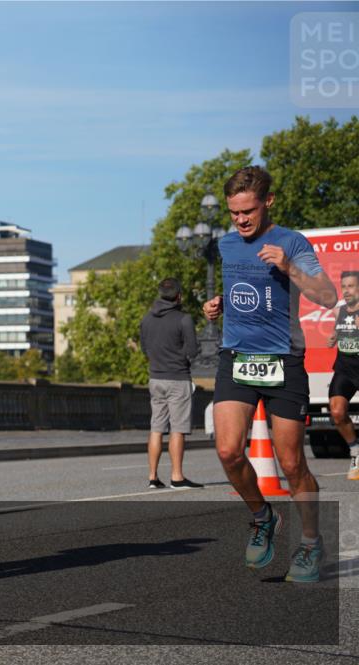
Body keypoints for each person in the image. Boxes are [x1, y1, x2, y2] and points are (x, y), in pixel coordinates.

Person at [203, 166, 337, 583]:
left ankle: (311, 544)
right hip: (237, 358)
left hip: (284, 361)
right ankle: (263, 516)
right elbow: (248, 290)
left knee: (292, 462)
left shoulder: (291, 242)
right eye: (233, 213)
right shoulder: (226, 244)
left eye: (248, 211)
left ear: (268, 202)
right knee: (227, 451)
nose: (240, 220)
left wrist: (289, 268)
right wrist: (219, 304)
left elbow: (328, 295)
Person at [139, 278, 203, 489]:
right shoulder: (184, 319)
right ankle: (177, 476)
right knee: (178, 428)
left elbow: (144, 348)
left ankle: (152, 477)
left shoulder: (147, 319)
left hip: (155, 378)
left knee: (156, 428)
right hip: (178, 378)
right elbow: (193, 351)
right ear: (179, 296)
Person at [327, 271, 359, 480]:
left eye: (351, 286)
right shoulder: (339, 311)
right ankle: (356, 452)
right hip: (345, 367)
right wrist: (333, 337)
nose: (347, 291)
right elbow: (336, 333)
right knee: (337, 412)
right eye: (344, 286)